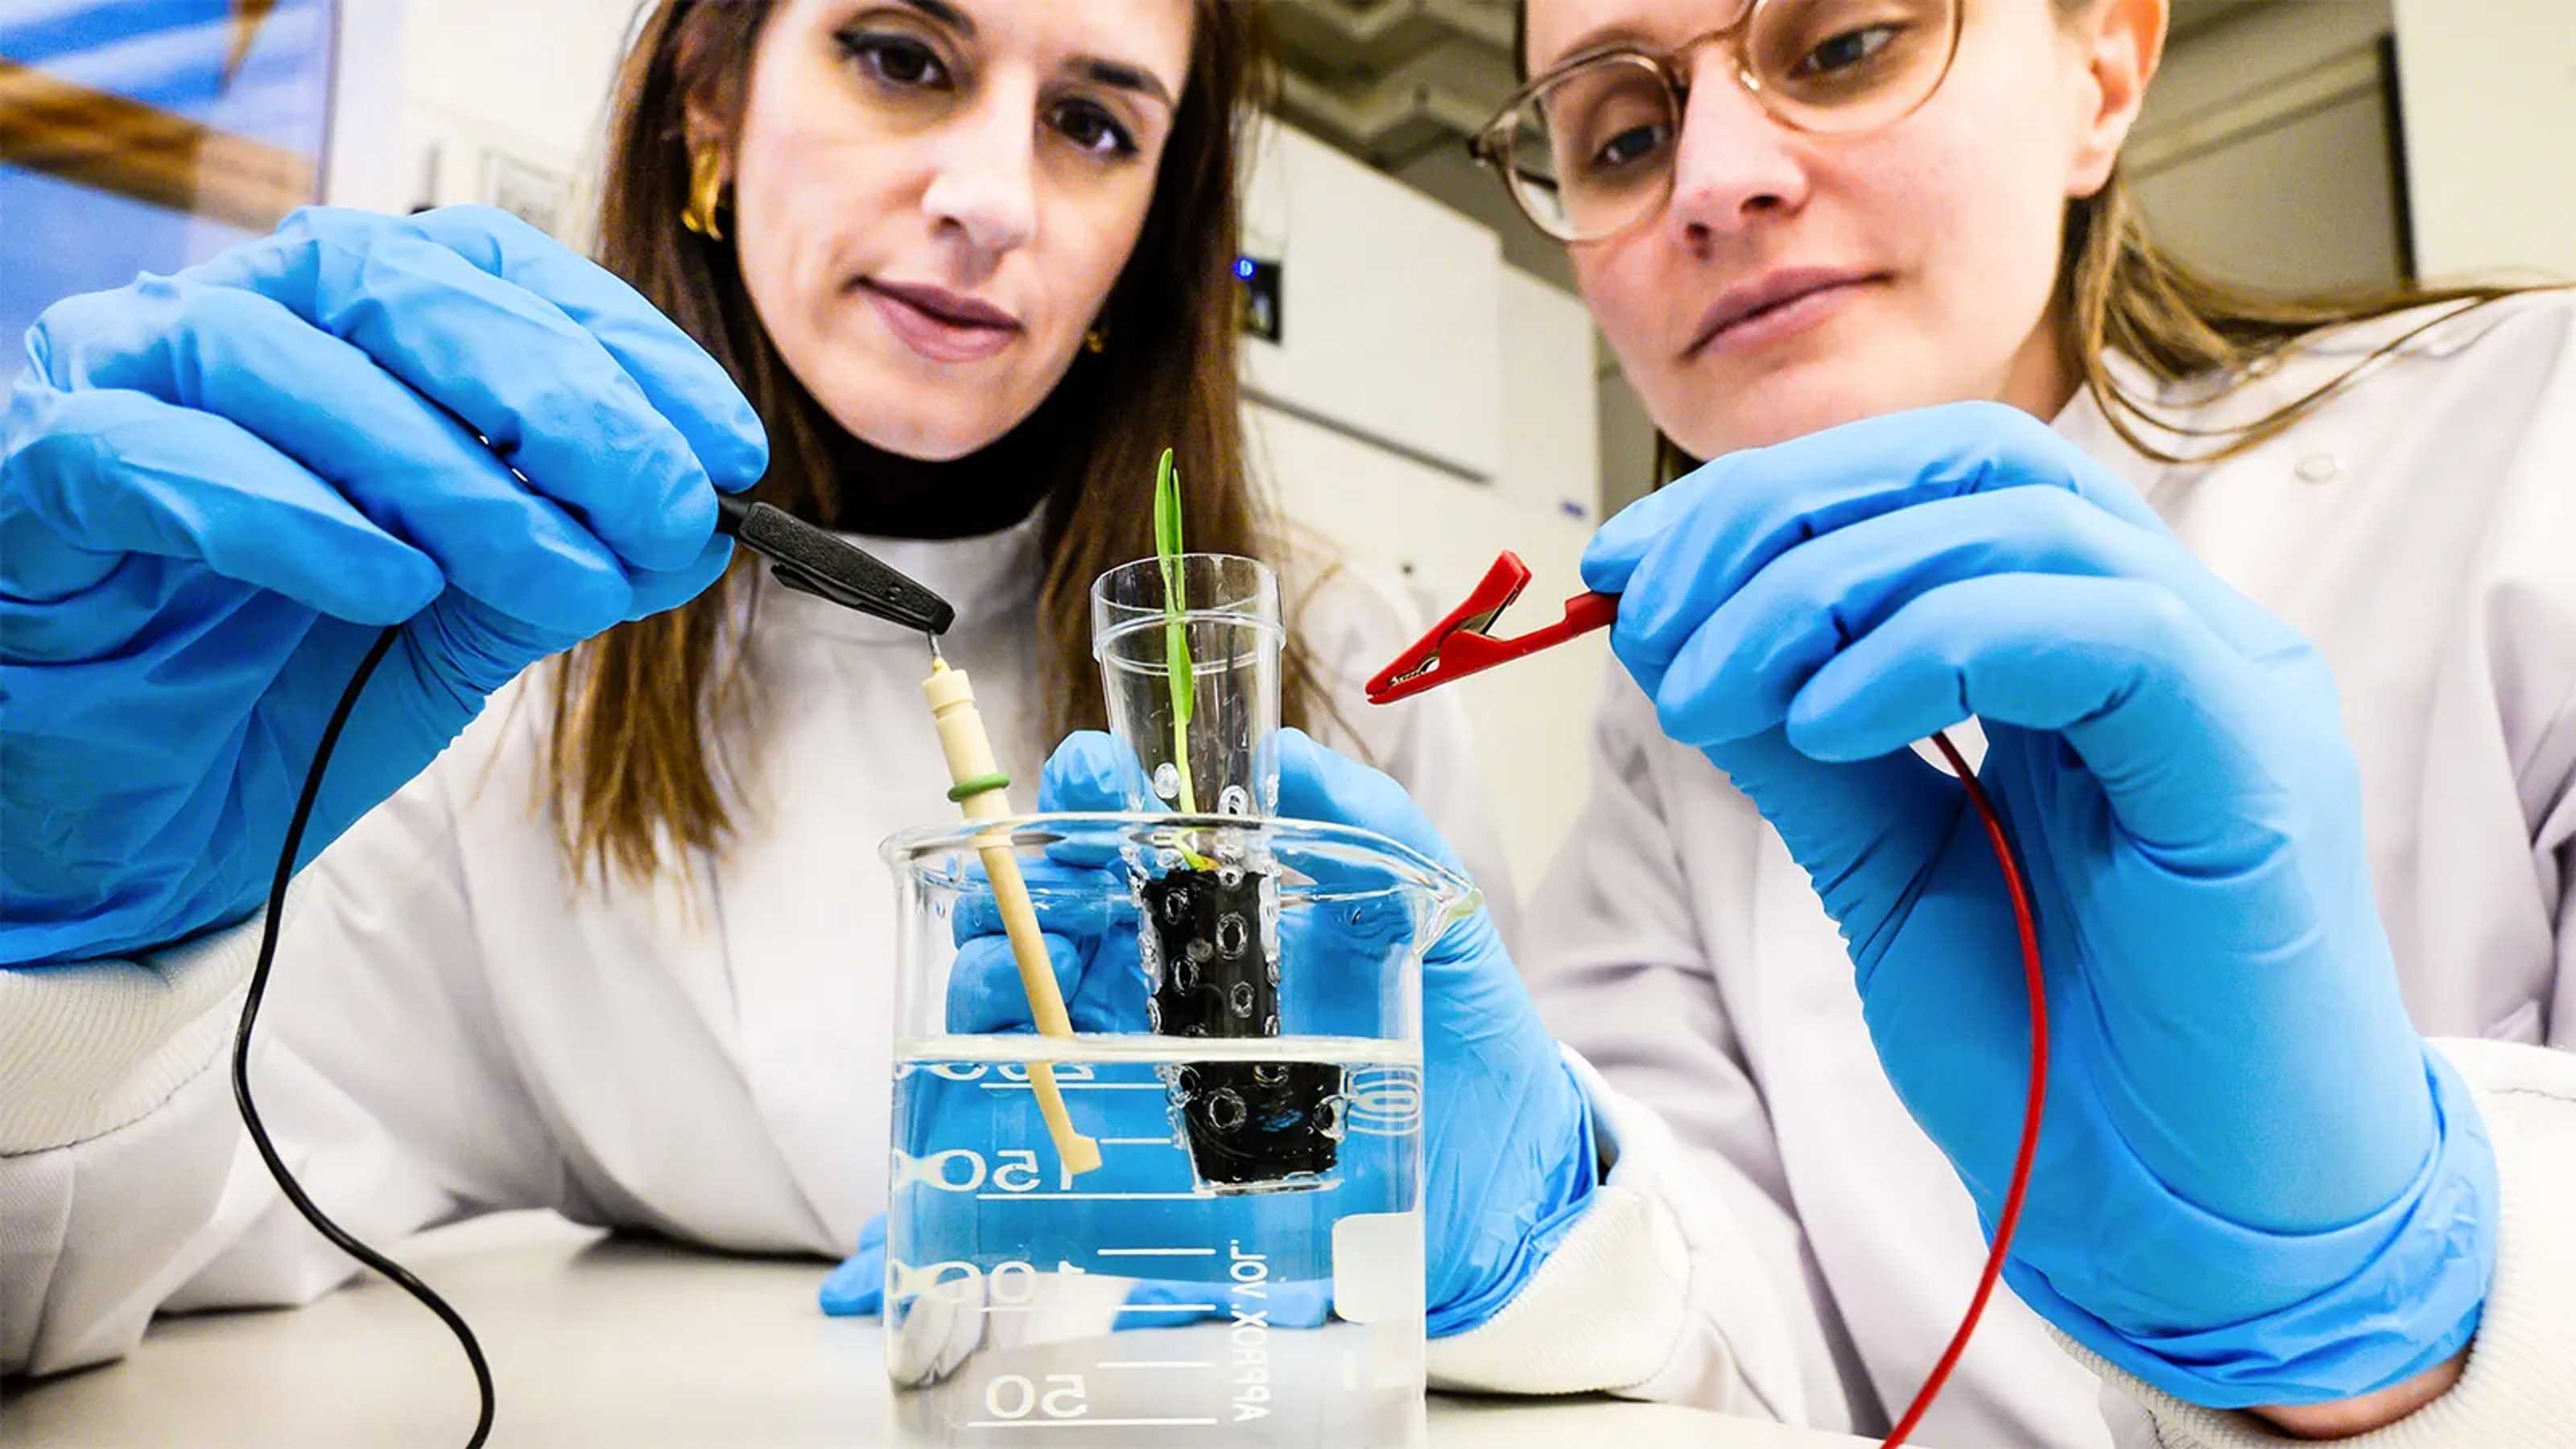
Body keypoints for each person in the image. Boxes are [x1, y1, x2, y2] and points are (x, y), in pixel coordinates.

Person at [1, 0, 1554, 1377]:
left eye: (1092, 123)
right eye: (899, 57)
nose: (992, 200)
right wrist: (63, 942)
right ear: (709, 104)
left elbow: (1541, 1231)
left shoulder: (1332, 662)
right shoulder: (490, 666)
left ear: (1154, 222)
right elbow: (115, 1250)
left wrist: (1484, 1268)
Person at [1223, 0, 2571, 1443]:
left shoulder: (2529, 441)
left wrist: (2389, 1307)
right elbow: (1724, 1346)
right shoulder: (1675, 718)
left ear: (2101, 67)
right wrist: (1544, 1228)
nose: (1712, 179)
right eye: (1620, 136)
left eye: (1843, 44)